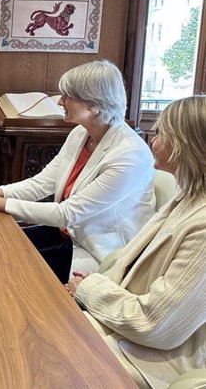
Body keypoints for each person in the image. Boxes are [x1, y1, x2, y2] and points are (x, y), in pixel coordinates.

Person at [0, 60, 155, 282]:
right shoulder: (81, 133)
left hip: (100, 252)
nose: (60, 101)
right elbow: (42, 183)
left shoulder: (130, 154)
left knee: (2, 269)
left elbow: (67, 213)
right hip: (67, 235)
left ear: (94, 105)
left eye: (69, 96)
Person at [65, 95, 206, 388]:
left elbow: (156, 326)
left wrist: (89, 289)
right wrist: (92, 287)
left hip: (149, 360)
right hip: (118, 331)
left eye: (163, 133)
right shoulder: (187, 197)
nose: (154, 139)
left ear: (186, 146)